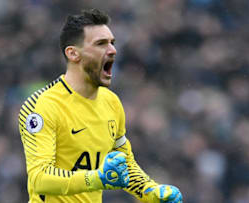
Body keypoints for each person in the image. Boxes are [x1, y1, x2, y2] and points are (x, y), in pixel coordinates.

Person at [18, 8, 183, 203]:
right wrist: (96, 178)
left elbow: (123, 163)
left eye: (112, 43)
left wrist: (152, 192)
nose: (112, 50)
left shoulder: (111, 102)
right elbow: (40, 179)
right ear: (73, 54)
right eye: (101, 44)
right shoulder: (42, 106)